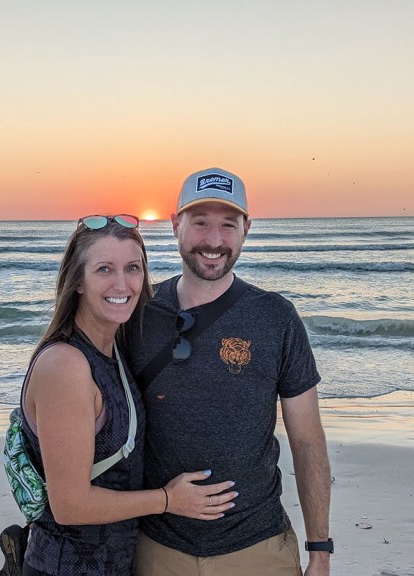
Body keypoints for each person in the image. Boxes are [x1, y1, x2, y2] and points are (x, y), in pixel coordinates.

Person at [126, 168, 332, 575]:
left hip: (258, 547)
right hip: (156, 549)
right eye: (200, 223)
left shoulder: (276, 317)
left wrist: (319, 552)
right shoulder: (136, 314)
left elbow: (307, 439)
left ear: (246, 229)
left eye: (228, 224)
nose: (214, 240)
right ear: (175, 226)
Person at [11, 214, 237, 576]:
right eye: (104, 269)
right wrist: (168, 500)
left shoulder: (112, 348)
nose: (123, 283)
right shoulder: (66, 365)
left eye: (133, 268)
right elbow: (70, 504)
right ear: (78, 281)